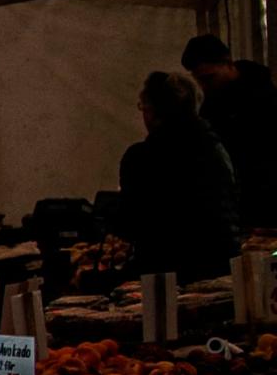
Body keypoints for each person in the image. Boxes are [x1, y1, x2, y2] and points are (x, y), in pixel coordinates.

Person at [117, 69, 242, 281]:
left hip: (168, 274)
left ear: (154, 112)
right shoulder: (216, 147)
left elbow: (133, 224)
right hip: (224, 265)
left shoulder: (143, 157)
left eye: (144, 107)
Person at [193, 43, 277, 228]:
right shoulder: (212, 104)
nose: (205, 86)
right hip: (236, 201)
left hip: (264, 196)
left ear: (228, 64)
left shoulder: (264, 98)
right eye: (200, 80)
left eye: (209, 77)